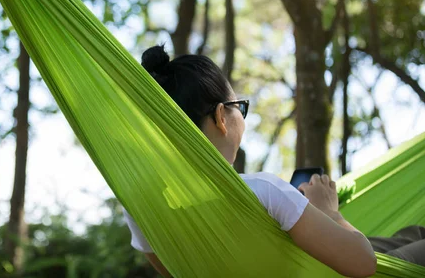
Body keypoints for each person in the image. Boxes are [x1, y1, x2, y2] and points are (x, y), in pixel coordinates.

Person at [121, 45, 419, 278]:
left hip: (309, 260)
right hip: (329, 270)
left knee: (413, 234)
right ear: (222, 117)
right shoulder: (263, 192)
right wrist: (329, 211)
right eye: (240, 106)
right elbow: (363, 262)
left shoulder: (142, 211)